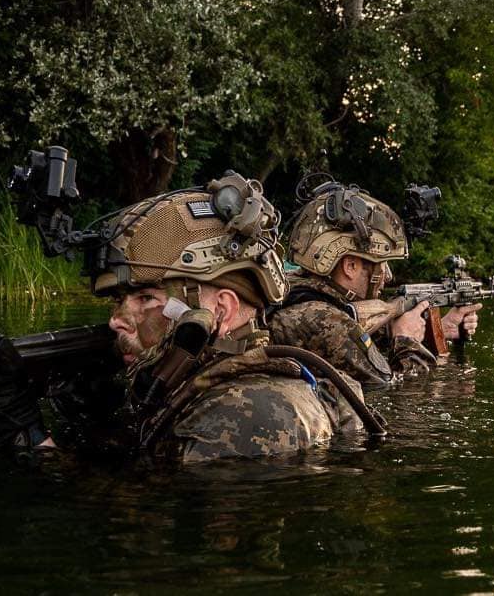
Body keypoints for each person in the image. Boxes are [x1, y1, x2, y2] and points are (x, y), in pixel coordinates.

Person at [84, 173, 368, 463]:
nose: (116, 321)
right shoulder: (194, 385)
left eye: (146, 299)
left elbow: (160, 504)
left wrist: (48, 448)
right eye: (119, 301)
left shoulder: (245, 412)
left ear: (221, 311)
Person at [267, 180, 481, 388]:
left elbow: (365, 344)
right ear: (350, 266)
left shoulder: (298, 289)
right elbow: (398, 389)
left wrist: (440, 330)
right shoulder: (329, 323)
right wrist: (406, 340)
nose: (387, 276)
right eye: (382, 264)